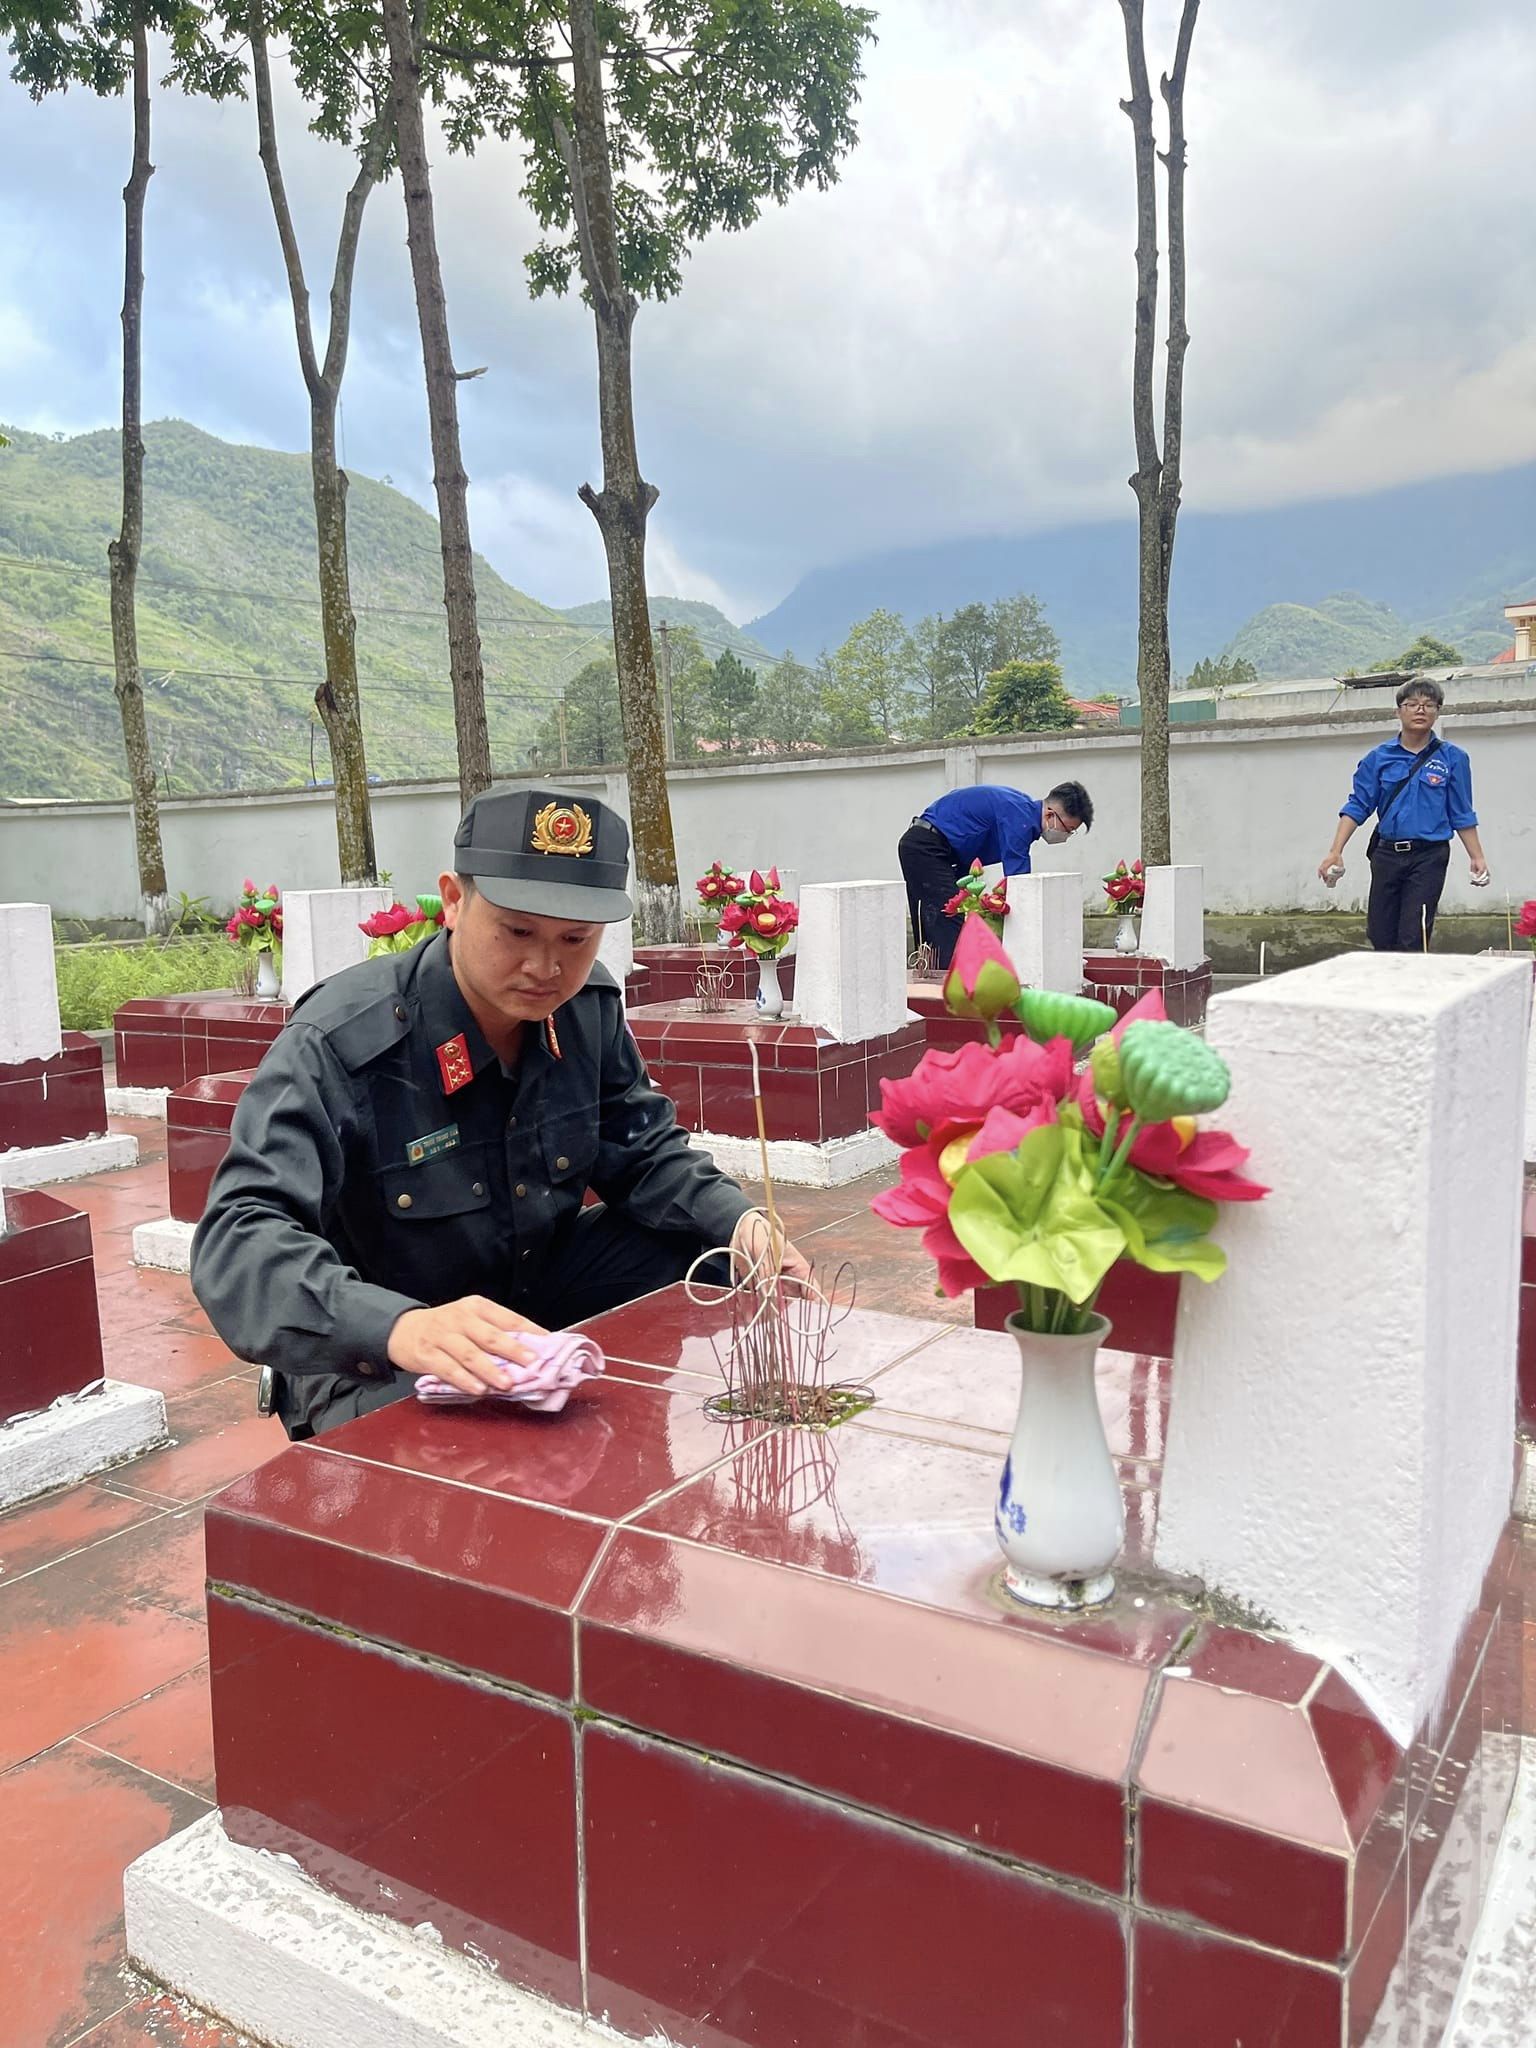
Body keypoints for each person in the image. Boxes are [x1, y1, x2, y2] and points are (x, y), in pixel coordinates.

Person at [192, 788, 810, 1440]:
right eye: (517, 931)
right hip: (389, 1340)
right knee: (452, 1448)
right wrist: (402, 1327)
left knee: (708, 1244)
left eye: (575, 938)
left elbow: (644, 1150)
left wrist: (741, 1223)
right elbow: (239, 1237)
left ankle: (633, 1444)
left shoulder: (585, 1009)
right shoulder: (343, 1040)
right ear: (454, 901)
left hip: (529, 1292)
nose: (546, 967)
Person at [1317, 678, 1488, 952]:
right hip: (1387, 854)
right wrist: (1335, 851)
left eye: (1429, 705)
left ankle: (1412, 979)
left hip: (1429, 856)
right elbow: (1358, 805)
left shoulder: (1453, 758)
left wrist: (1477, 857)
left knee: (1413, 935)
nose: (1420, 710)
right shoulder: (1378, 758)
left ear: (1437, 712)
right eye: (1412, 704)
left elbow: (1462, 812)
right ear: (1398, 711)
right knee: (1380, 934)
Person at [897, 778, 1094, 967]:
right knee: (948, 928)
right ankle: (946, 986)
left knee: (935, 927)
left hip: (929, 847)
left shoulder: (1020, 809)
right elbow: (1021, 888)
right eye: (1067, 829)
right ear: (1050, 815)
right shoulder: (1020, 818)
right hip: (927, 847)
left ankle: (933, 980)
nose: (1066, 836)